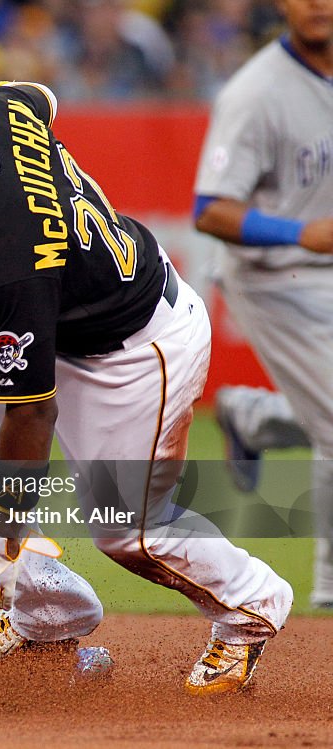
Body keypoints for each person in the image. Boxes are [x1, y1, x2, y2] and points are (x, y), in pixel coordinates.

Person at [0, 56, 292, 695]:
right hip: (63, 312)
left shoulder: (4, 259)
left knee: (129, 531)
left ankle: (250, 607)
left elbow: (31, 414)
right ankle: (49, 618)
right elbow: (36, 95)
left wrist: (5, 546)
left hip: (137, 348)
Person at [193, 0, 333, 609]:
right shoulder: (256, 93)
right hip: (276, 279)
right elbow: (210, 209)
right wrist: (299, 234)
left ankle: (255, 417)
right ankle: (331, 590)